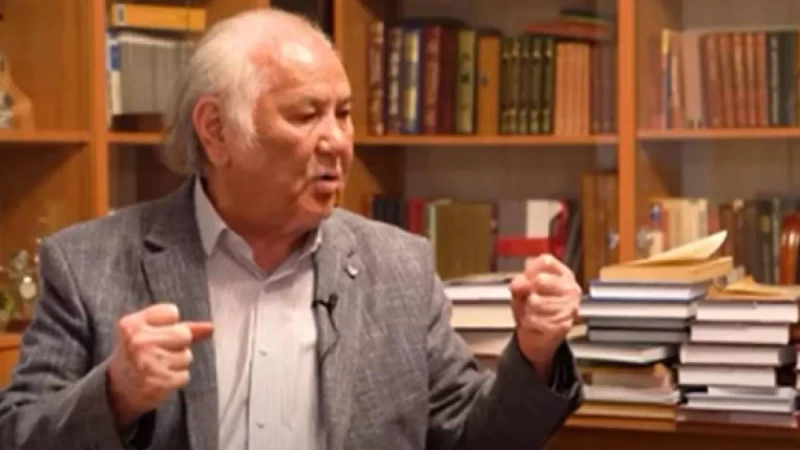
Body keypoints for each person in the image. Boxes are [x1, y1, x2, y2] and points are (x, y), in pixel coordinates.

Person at [0, 7, 583, 450]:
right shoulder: (88, 264)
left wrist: (534, 353)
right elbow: (17, 433)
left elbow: (477, 438)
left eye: (343, 114)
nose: (337, 142)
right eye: (306, 115)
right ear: (217, 130)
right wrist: (115, 395)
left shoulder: (399, 266)